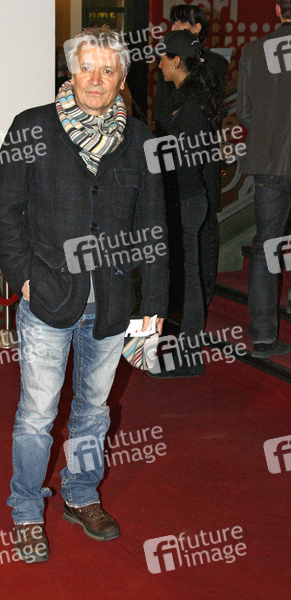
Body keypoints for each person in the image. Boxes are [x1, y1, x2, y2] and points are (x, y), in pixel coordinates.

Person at [0, 26, 169, 563]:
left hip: (112, 304)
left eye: (108, 70)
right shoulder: (32, 126)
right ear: (71, 71)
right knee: (37, 413)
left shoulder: (140, 140)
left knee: (94, 410)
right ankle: (26, 509)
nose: (96, 79)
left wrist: (153, 306)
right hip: (47, 296)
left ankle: (81, 494)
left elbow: (154, 227)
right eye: (87, 67)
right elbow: (5, 209)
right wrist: (23, 276)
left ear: (121, 79)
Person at [148, 30, 223, 379]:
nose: (159, 63)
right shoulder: (187, 97)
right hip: (187, 200)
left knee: (189, 282)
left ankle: (189, 356)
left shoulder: (190, 105)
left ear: (176, 61)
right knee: (187, 280)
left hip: (187, 201)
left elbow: (186, 165)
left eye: (164, 57)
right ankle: (185, 353)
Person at [154, 4, 228, 310]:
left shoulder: (211, 69)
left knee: (200, 242)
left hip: (196, 174)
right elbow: (160, 116)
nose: (176, 28)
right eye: (173, 23)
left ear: (197, 29)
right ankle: (184, 307)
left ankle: (198, 306)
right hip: (176, 172)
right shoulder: (170, 74)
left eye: (182, 23)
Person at [237, 1, 291, 359]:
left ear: (276, 9)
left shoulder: (254, 50)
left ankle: (263, 337)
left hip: (268, 164)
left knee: (266, 247)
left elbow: (244, 112)